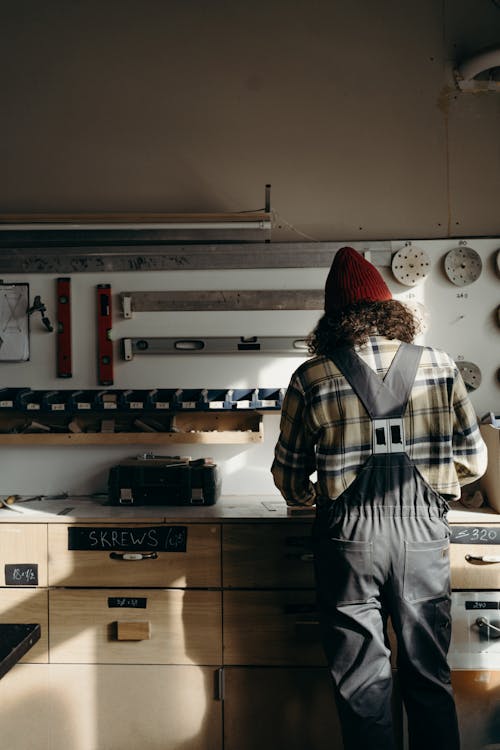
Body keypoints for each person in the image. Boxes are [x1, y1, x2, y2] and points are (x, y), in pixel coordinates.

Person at [271, 246, 488, 750]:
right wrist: (434, 482)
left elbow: (289, 478)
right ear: (389, 309)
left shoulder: (311, 376)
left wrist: (319, 495)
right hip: (422, 542)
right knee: (428, 674)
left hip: (348, 542)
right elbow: (475, 462)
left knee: (363, 683)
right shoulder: (438, 364)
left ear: (333, 320)